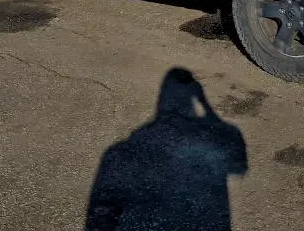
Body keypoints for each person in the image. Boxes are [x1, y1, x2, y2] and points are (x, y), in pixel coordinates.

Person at [85, 68, 247, 231]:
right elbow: (238, 168)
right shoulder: (225, 132)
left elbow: (101, 213)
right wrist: (209, 112)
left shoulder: (119, 151)